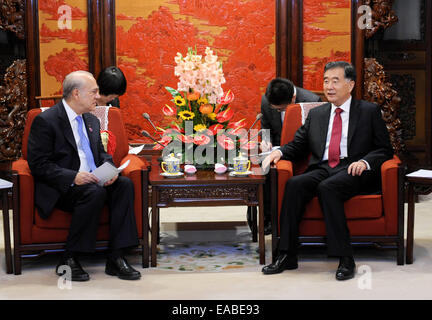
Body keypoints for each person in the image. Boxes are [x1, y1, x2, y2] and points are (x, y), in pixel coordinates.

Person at [261, 62, 393, 280]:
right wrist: (280, 152)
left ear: (350, 85)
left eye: (335, 81)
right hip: (324, 167)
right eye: (325, 81)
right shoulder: (318, 114)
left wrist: (366, 162)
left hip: (353, 168)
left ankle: (345, 257)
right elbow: (298, 144)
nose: (329, 86)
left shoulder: (369, 111)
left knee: (328, 188)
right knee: (294, 184)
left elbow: (384, 149)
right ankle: (287, 254)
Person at [27, 70, 141, 281]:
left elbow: (102, 154)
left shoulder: (91, 120)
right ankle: (69, 258)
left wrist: (109, 169)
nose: (98, 97)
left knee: (124, 185)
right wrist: (73, 177)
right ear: (76, 94)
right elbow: (38, 164)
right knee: (93, 192)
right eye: (94, 92)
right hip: (63, 188)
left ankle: (116, 257)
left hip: (92, 181)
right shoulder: (47, 121)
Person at [247, 79, 321, 235]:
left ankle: (281, 218)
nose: (277, 111)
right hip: (276, 149)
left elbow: (313, 138)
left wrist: (285, 150)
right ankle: (266, 218)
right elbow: (266, 127)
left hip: (300, 151)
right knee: (261, 167)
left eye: (280, 109)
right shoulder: (266, 100)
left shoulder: (312, 101)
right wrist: (266, 143)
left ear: (292, 100)